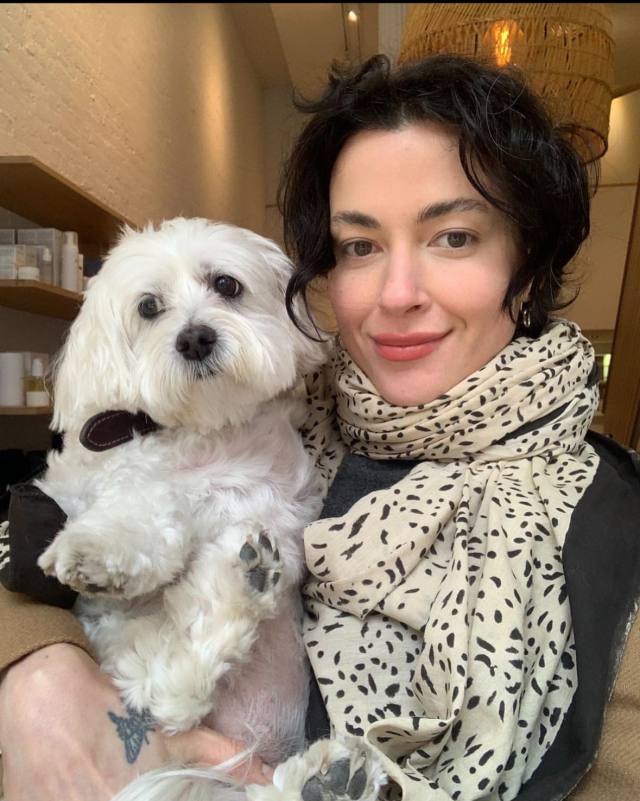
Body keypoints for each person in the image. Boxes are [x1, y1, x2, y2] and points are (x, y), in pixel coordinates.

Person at [1, 52, 639, 801]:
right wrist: (37, 675)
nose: (398, 293)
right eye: (359, 246)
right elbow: (47, 542)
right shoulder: (266, 417)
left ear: (527, 264)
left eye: (453, 237)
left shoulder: (609, 523)